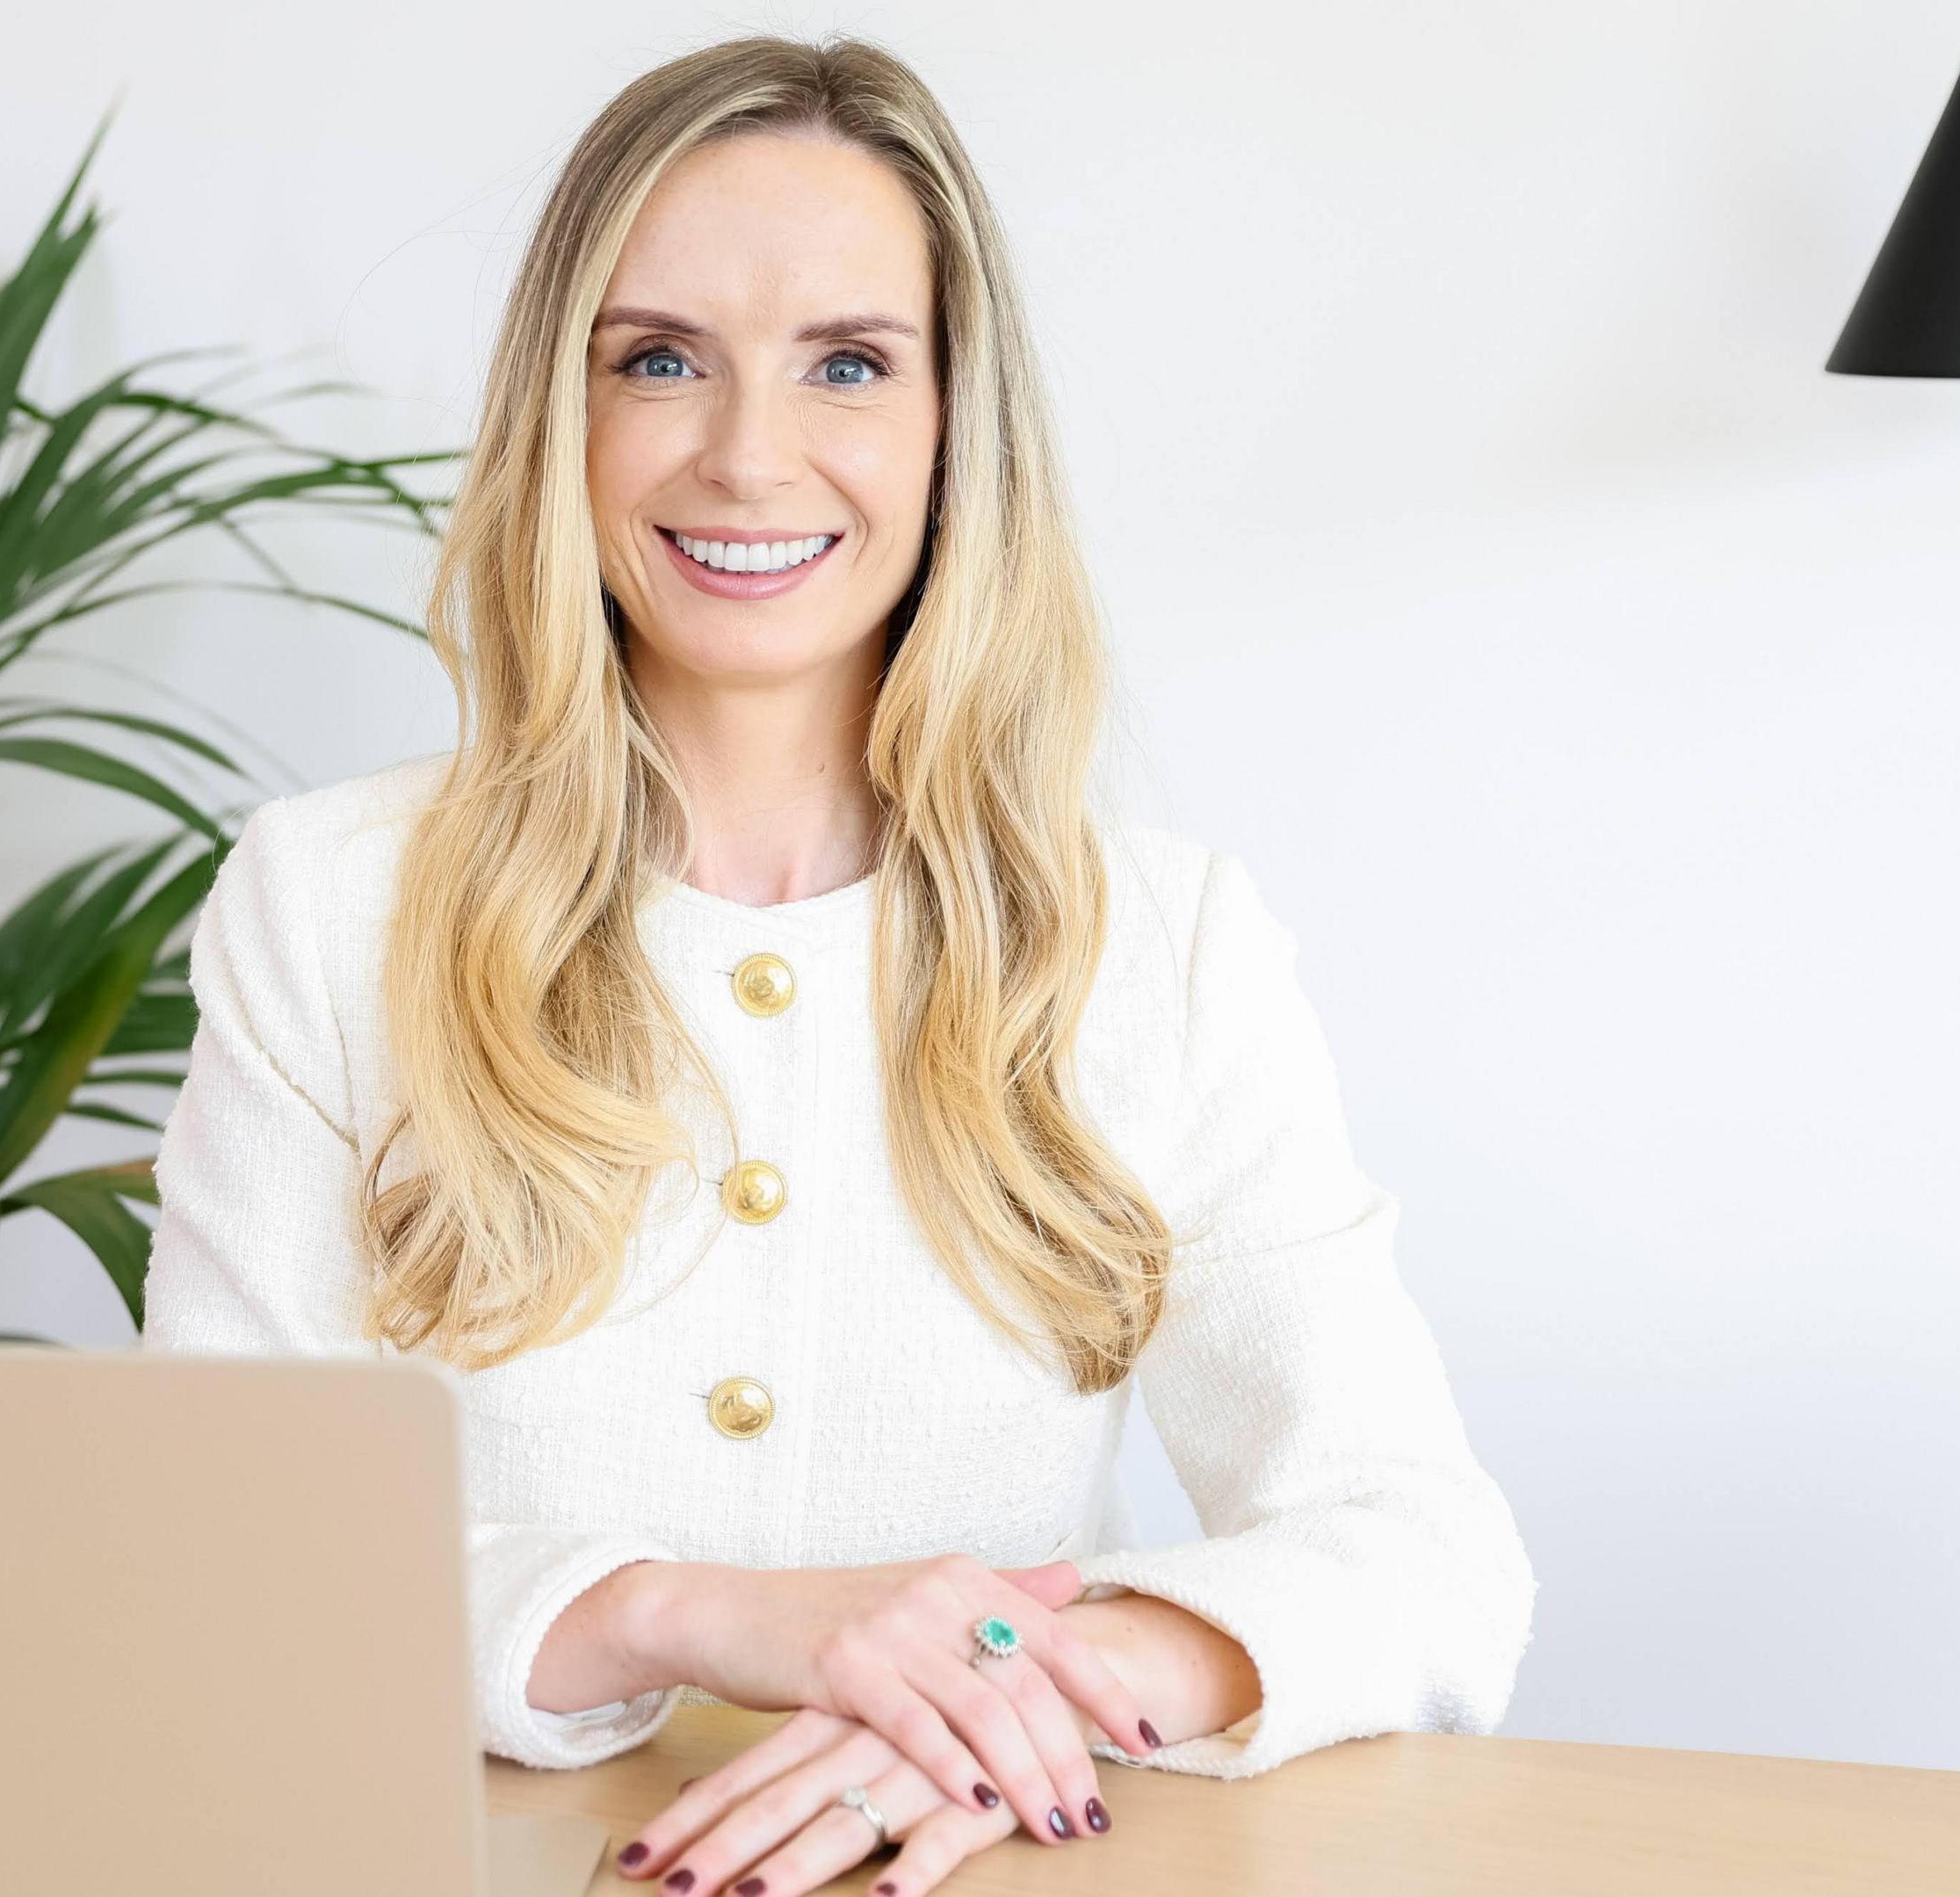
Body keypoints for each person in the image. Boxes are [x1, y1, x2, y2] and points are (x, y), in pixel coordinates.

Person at [137, 32, 1534, 1897]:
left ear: (960, 424)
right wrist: (688, 1617)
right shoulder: (329, 902)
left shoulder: (1163, 946)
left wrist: (1013, 1684)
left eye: (850, 366)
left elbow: (1423, 1547)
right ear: (564, 414)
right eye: (657, 361)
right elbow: (213, 1553)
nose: (743, 455)